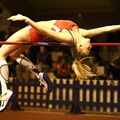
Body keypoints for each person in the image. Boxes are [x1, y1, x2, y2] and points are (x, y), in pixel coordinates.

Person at [1, 14, 120, 112]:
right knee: (13, 55)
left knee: (1, 55)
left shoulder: (68, 38)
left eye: (87, 50)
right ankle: (39, 74)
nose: (90, 47)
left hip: (32, 31)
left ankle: (5, 92)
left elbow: (47, 32)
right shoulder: (81, 33)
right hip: (35, 33)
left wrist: (27, 20)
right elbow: (106, 28)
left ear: (79, 46)